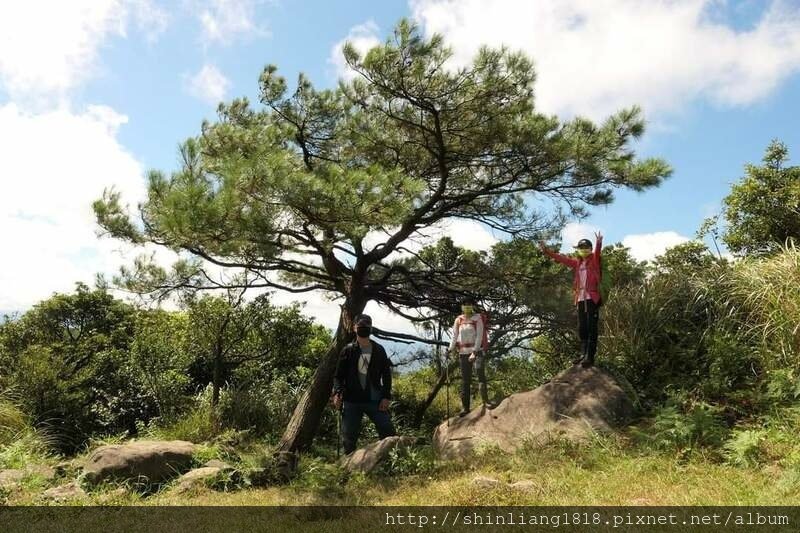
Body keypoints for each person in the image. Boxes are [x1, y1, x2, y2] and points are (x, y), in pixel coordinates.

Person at [332, 314, 396, 454]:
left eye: (366, 327)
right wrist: (337, 393)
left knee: (388, 431)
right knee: (349, 438)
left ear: (371, 328)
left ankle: (390, 461)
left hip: (375, 400)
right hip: (351, 401)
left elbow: (386, 375)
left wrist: (386, 397)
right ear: (354, 328)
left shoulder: (379, 350)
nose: (363, 329)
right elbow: (338, 376)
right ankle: (348, 468)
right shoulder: (348, 350)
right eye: (361, 327)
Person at [538, 232, 604, 368]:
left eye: (586, 247)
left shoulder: (594, 261)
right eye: (581, 247)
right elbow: (561, 259)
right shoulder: (577, 263)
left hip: (592, 298)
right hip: (580, 299)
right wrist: (547, 251)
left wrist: (598, 242)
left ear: (590, 249)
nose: (584, 250)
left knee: (592, 327)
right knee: (582, 328)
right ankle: (582, 354)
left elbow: (597, 253)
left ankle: (590, 357)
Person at [448, 297, 490, 416]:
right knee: (465, 381)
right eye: (465, 304)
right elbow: (454, 336)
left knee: (480, 372)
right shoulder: (458, 320)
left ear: (472, 306)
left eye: (469, 304)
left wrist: (475, 352)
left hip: (478, 351)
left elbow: (479, 336)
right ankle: (465, 408)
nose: (467, 306)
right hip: (463, 352)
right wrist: (450, 349)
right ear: (462, 306)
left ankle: (486, 401)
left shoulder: (478, 318)